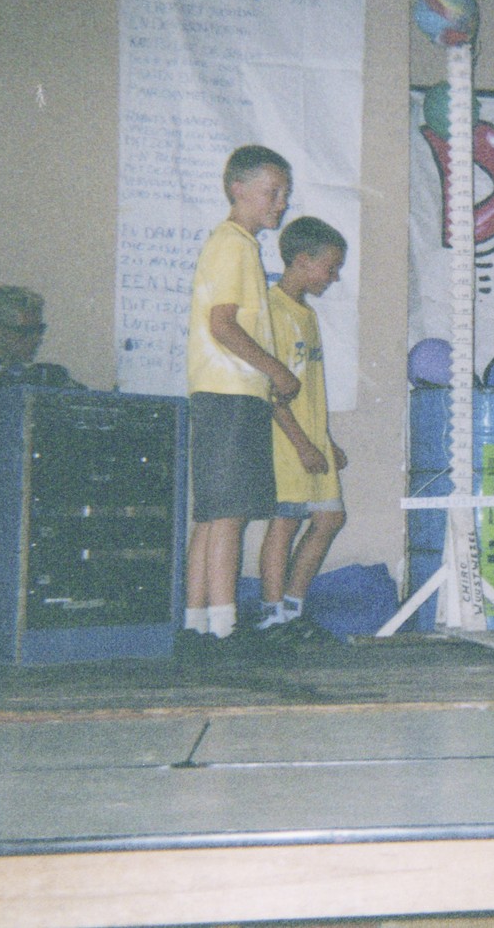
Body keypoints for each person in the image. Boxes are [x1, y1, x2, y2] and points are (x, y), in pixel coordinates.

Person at [180, 144, 301, 652]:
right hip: (230, 392)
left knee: (213, 517)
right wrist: (277, 370)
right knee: (229, 515)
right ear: (238, 189)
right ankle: (225, 627)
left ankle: (198, 624)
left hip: (224, 393)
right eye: (272, 192)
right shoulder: (234, 245)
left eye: (285, 194)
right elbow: (223, 325)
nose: (281, 203)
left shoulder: (236, 244)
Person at [255, 216, 349, 640]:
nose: (334, 276)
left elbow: (308, 388)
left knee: (330, 518)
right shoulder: (271, 309)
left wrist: (325, 441)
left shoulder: (306, 314)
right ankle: (271, 615)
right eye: (330, 267)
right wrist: (302, 444)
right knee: (286, 521)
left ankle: (293, 609)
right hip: (287, 441)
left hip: (312, 440)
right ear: (301, 260)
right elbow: (271, 390)